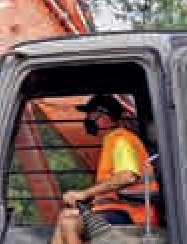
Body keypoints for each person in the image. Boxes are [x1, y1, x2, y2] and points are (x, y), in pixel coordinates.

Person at [50, 94, 158, 244]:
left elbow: (128, 176)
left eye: (91, 116)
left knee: (70, 224)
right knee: (65, 216)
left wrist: (84, 194)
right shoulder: (112, 140)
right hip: (115, 210)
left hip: (132, 213)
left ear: (105, 118)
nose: (87, 120)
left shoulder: (121, 140)